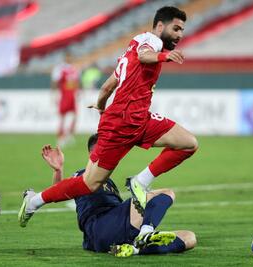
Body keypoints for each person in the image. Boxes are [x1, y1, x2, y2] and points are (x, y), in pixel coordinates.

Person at [19, 6, 198, 230]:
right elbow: (145, 55)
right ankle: (33, 202)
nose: (180, 35)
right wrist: (164, 55)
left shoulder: (127, 53)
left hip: (138, 118)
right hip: (122, 123)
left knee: (188, 143)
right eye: (176, 28)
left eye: (182, 30)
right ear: (160, 26)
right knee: (90, 184)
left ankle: (140, 181)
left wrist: (101, 106)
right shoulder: (150, 41)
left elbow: (106, 87)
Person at [21, 134, 196, 257]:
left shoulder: (107, 180)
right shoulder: (83, 176)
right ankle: (146, 232)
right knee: (166, 193)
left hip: (113, 234)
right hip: (101, 225)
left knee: (189, 238)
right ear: (93, 154)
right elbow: (59, 190)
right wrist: (58, 170)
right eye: (106, 149)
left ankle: (135, 249)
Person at [51, 55, 80, 146]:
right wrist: (54, 94)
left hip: (72, 96)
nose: (69, 59)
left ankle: (69, 134)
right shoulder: (60, 69)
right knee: (63, 117)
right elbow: (55, 82)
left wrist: (78, 92)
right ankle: (60, 137)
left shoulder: (74, 69)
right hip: (64, 96)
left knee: (75, 116)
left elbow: (76, 82)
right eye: (68, 57)